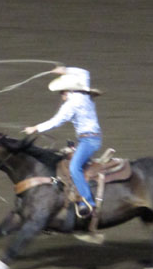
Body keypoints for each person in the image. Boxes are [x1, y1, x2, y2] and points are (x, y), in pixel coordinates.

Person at [23, 66, 102, 216]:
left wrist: (35, 128)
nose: (61, 96)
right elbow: (85, 72)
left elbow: (56, 121)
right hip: (91, 138)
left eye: (62, 92)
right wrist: (65, 70)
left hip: (89, 140)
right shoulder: (83, 93)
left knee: (74, 167)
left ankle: (87, 202)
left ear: (68, 91)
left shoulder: (72, 104)